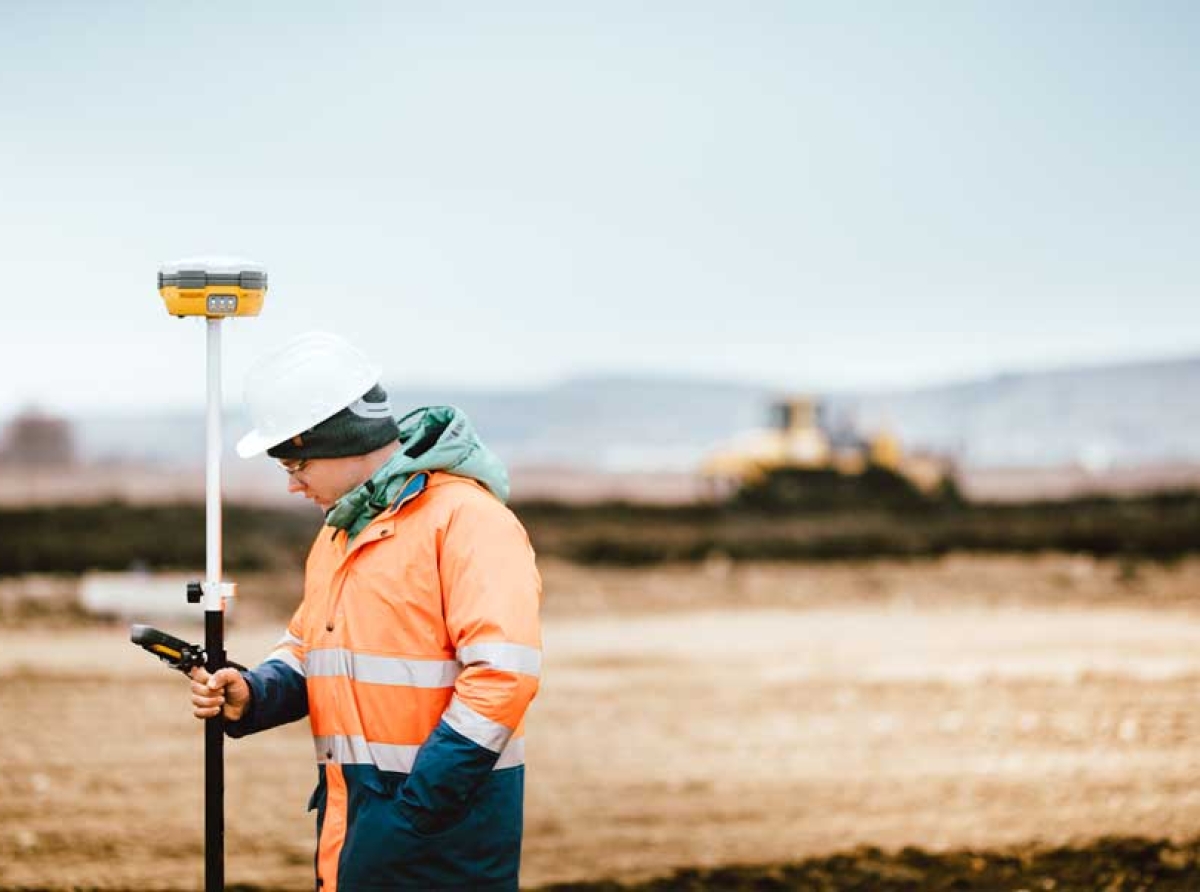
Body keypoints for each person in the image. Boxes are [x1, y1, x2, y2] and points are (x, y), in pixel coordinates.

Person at [188, 331, 542, 892]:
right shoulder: (340, 534)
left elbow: (502, 677)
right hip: (356, 811)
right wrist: (253, 693)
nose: (293, 485)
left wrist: (417, 810)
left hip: (446, 832)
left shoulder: (468, 521)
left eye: (295, 464)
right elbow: (312, 647)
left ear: (340, 441)